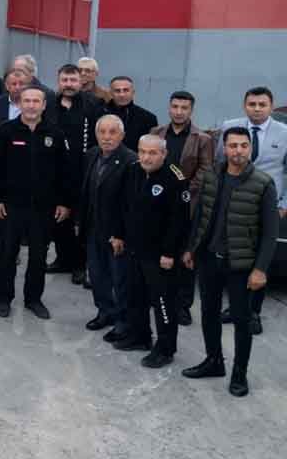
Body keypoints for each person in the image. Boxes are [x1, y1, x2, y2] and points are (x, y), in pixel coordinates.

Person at [182, 127, 276, 397]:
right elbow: (200, 215)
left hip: (241, 265)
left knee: (241, 320)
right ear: (224, 148)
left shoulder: (263, 183)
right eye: (233, 145)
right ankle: (214, 362)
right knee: (208, 313)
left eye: (243, 146)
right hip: (209, 259)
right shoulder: (212, 176)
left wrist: (260, 269)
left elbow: (270, 233)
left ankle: (239, 374)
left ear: (250, 148)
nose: (238, 151)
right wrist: (191, 249)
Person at [0, 86, 73, 319]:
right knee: (7, 253)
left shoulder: (56, 134)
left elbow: (66, 173)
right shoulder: (5, 131)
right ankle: (3, 298)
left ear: (44, 105)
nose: (31, 105)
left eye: (36, 101)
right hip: (11, 206)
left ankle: (33, 299)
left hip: (43, 208)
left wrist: (64, 203)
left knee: (39, 256)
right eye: (27, 101)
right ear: (20, 104)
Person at [216, 86, 287, 334]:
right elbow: (220, 163)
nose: (257, 109)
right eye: (252, 104)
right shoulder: (230, 127)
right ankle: (235, 306)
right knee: (234, 256)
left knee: (259, 259)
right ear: (245, 105)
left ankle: (253, 312)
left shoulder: (284, 132)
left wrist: (284, 204)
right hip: (233, 204)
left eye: (262, 104)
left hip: (266, 204)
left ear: (270, 106)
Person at [123, 134, 191, 368]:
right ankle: (140, 337)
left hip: (160, 255)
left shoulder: (175, 178)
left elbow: (179, 222)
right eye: (142, 151)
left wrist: (169, 253)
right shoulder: (134, 170)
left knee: (163, 303)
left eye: (152, 153)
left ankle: (165, 349)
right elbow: (128, 208)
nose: (146, 157)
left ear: (164, 154)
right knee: (136, 297)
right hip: (136, 249)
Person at [150, 90, 213, 325]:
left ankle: (182, 306)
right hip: (157, 202)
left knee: (185, 257)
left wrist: (183, 191)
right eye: (175, 107)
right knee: (158, 251)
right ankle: (157, 297)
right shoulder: (156, 133)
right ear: (169, 107)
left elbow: (205, 171)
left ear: (191, 110)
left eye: (184, 108)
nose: (179, 112)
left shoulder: (202, 139)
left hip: (188, 204)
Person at [80, 115, 141, 345]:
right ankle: (104, 311)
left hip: (116, 234)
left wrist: (121, 235)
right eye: (102, 132)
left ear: (122, 135)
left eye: (112, 132)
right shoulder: (91, 155)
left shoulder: (131, 161)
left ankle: (123, 322)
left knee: (120, 279)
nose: (107, 137)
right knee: (97, 276)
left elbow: (131, 205)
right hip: (93, 227)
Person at [48, 63, 104, 281]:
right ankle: (63, 259)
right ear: (59, 81)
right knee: (59, 220)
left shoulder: (93, 105)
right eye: (65, 80)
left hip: (84, 172)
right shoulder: (49, 105)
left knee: (81, 223)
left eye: (73, 80)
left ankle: (80, 265)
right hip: (56, 172)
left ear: (81, 81)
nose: (69, 84)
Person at [104, 76, 158, 151]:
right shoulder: (98, 114)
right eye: (117, 91)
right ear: (111, 93)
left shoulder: (148, 118)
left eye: (126, 90)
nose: (122, 94)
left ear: (133, 92)